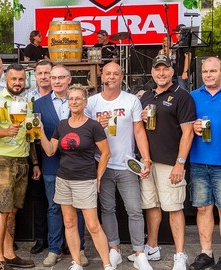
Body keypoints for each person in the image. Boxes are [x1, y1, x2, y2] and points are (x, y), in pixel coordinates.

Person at [85, 62, 153, 270]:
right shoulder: (91, 103)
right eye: (108, 73)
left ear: (121, 76)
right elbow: (84, 134)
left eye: (116, 73)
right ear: (101, 76)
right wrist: (96, 127)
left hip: (127, 164)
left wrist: (146, 159)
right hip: (101, 164)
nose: (112, 77)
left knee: (134, 209)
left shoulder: (131, 100)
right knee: (107, 208)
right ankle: (114, 249)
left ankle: (139, 252)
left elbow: (139, 131)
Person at [40, 83, 114, 270]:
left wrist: (98, 177)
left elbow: (106, 153)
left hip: (85, 179)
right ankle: (76, 263)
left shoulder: (93, 126)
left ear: (85, 102)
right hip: (63, 179)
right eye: (71, 98)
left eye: (78, 98)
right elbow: (50, 151)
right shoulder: (61, 125)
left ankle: (107, 265)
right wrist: (39, 130)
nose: (74, 102)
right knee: (69, 222)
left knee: (92, 225)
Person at [0, 63, 40, 270]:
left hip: (22, 160)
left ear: (26, 80)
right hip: (2, 160)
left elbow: (30, 136)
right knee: (1, 211)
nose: (17, 83)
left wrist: (35, 162)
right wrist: (6, 132)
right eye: (13, 79)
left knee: (12, 211)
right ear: (6, 79)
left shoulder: (26, 102)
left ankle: (9, 253)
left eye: (21, 79)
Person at [139, 54, 196, 270]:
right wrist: (142, 117)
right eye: (157, 69)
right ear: (152, 72)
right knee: (151, 205)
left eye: (165, 69)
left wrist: (180, 163)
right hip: (148, 162)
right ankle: (152, 248)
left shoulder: (182, 97)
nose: (161, 73)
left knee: (173, 208)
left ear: (172, 71)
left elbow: (188, 133)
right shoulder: (146, 96)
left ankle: (180, 255)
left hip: (170, 163)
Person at [189, 57, 221, 270]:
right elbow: (182, 124)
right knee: (203, 208)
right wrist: (192, 127)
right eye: (205, 71)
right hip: (198, 160)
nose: (208, 75)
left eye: (213, 71)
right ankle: (206, 253)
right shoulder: (192, 96)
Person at [34, 65, 89, 267]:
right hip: (51, 164)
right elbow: (35, 138)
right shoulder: (38, 104)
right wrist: (35, 163)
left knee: (80, 209)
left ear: (69, 79)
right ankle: (55, 249)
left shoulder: (79, 102)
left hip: (78, 165)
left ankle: (80, 249)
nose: (56, 81)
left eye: (60, 78)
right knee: (54, 208)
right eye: (53, 77)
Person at [26, 59, 54, 255]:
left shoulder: (61, 96)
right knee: (38, 198)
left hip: (57, 152)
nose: (44, 77)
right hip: (35, 152)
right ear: (35, 75)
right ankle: (41, 237)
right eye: (40, 73)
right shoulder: (28, 99)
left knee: (58, 199)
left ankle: (58, 238)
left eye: (47, 73)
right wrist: (34, 161)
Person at [172, 24, 192, 91]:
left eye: (178, 32)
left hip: (181, 74)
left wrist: (185, 71)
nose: (176, 34)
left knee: (183, 92)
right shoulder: (178, 43)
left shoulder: (185, 43)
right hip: (176, 74)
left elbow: (188, 56)